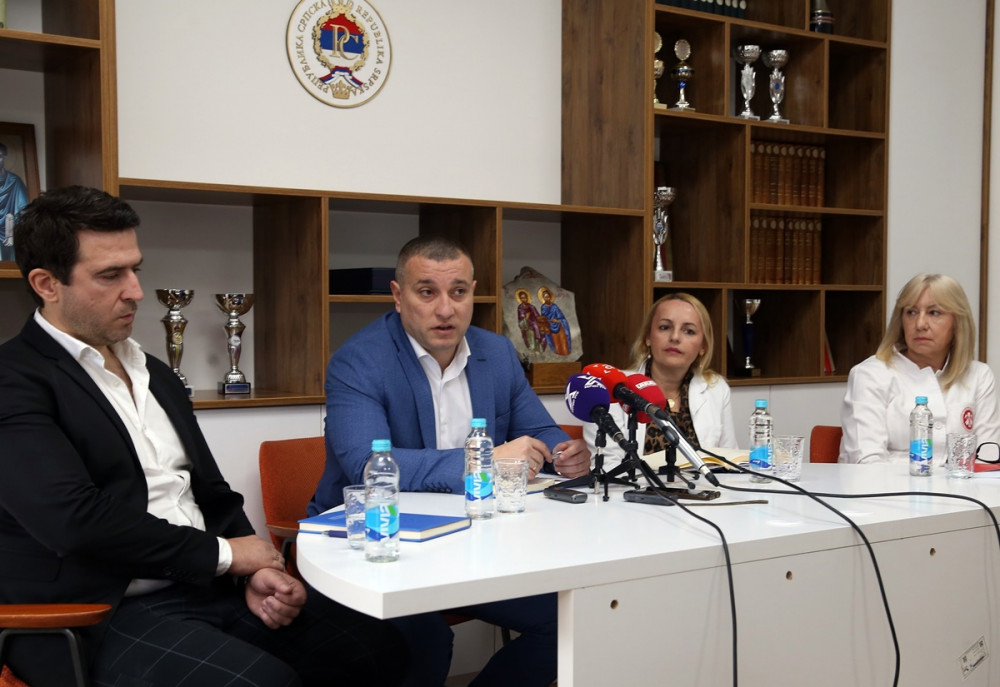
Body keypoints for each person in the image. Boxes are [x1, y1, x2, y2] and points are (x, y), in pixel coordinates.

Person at [0, 186, 407, 687]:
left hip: (204, 586)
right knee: (263, 682)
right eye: (110, 275)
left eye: (135, 269)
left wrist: (255, 570)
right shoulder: (14, 379)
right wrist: (228, 556)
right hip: (98, 612)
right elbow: (74, 520)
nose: (136, 291)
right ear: (46, 283)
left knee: (379, 648)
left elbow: (210, 492)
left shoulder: (154, 372)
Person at [308, 235, 591, 687]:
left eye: (458, 292)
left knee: (570, 619)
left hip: (472, 541)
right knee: (425, 642)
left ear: (473, 293)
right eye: (427, 292)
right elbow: (366, 463)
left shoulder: (496, 352)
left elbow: (538, 429)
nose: (445, 309)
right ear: (398, 296)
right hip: (378, 542)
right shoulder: (358, 361)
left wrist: (564, 453)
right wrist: (483, 461)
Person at [840, 273, 1000, 465]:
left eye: (934, 313)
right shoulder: (870, 375)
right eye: (911, 312)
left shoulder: (979, 375)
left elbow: (988, 458)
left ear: (957, 323)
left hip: (962, 484)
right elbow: (867, 463)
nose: (920, 324)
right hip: (886, 484)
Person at [583, 292, 738, 472]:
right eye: (665, 327)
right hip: (637, 489)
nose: (675, 337)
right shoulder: (613, 388)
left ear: (703, 346)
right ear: (648, 337)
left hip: (704, 488)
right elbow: (608, 467)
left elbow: (730, 460)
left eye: (689, 331)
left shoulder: (716, 388)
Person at [0, 141, 30, 261]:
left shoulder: (15, 181)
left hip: (10, 229)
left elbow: (24, 209)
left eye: (0, 156)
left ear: (5, 157)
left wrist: (11, 226)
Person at [538, 286, 571, 356]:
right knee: (556, 343)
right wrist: (549, 320)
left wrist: (558, 320)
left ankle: (566, 354)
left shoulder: (554, 306)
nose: (547, 298)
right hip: (550, 328)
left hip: (559, 326)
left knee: (563, 341)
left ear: (550, 297)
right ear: (543, 298)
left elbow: (561, 316)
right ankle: (559, 355)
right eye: (545, 297)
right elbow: (544, 318)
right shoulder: (543, 307)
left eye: (548, 297)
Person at [515, 287, 546, 354]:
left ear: (527, 298)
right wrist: (526, 318)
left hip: (535, 324)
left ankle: (538, 349)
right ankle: (532, 350)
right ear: (520, 299)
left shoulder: (531, 306)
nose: (524, 299)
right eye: (522, 298)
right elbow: (521, 320)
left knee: (539, 331)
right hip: (527, 326)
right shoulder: (520, 308)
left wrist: (541, 320)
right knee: (531, 339)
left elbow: (537, 315)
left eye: (525, 297)